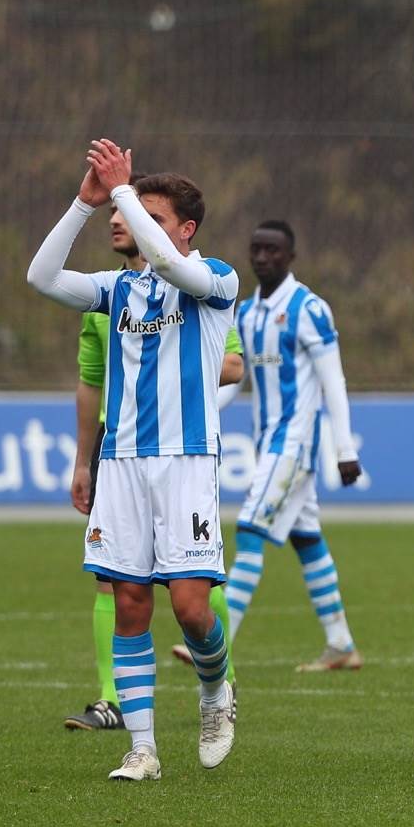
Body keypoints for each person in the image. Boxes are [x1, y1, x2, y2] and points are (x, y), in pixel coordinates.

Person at [27, 141, 239, 780]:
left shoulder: (214, 281)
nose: (127, 220)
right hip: (121, 463)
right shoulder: (116, 291)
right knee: (128, 602)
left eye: (149, 213)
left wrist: (123, 190)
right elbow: (40, 278)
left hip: (185, 463)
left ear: (186, 228)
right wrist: (84, 204)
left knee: (192, 608)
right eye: (128, 210)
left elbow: (175, 268)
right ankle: (142, 748)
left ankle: (215, 690)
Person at [65, 199, 245, 730]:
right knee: (119, 588)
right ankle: (114, 704)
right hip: (117, 451)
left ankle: (220, 678)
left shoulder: (201, 282)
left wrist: (170, 390)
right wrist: (83, 460)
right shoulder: (105, 297)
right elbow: (89, 381)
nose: (119, 221)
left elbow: (231, 363)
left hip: (181, 450)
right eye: (118, 215)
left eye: (135, 216)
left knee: (192, 595)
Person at [211, 220, 366, 673]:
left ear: (290, 257)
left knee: (249, 529)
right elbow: (237, 381)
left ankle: (218, 641)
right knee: (306, 539)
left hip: (295, 443)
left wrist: (344, 449)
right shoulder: (246, 312)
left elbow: (332, 379)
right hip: (267, 443)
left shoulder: (310, 308)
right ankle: (340, 644)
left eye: (272, 250)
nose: (262, 257)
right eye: (256, 249)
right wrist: (204, 409)